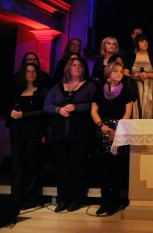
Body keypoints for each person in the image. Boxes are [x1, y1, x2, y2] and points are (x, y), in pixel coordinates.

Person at [43, 57, 96, 213]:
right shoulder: (57, 87)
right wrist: (58, 110)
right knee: (61, 167)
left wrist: (76, 108)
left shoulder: (90, 86)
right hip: (59, 133)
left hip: (79, 133)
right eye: (74, 65)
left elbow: (94, 104)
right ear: (68, 68)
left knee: (77, 166)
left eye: (80, 65)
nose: (77, 67)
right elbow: (46, 106)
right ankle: (63, 199)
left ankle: (76, 199)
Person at [91, 61, 133, 216]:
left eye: (121, 71)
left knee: (116, 168)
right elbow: (94, 110)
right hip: (103, 131)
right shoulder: (99, 89)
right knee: (103, 168)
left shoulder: (126, 90)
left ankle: (113, 203)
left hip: (119, 132)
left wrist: (118, 129)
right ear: (109, 73)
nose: (119, 74)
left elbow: (128, 111)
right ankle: (104, 202)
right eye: (115, 71)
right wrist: (102, 126)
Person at [9, 63, 48, 209]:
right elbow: (13, 107)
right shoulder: (19, 91)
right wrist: (13, 113)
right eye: (28, 71)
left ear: (37, 74)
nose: (31, 74)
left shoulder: (42, 91)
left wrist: (24, 115)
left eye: (33, 71)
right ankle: (16, 197)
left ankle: (30, 198)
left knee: (32, 164)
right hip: (18, 131)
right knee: (17, 164)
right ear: (23, 74)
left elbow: (43, 111)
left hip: (33, 131)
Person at [125, 34, 153, 119]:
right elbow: (125, 73)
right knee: (136, 109)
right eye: (142, 41)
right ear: (137, 43)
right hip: (135, 87)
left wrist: (148, 75)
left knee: (149, 110)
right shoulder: (131, 56)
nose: (145, 43)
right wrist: (135, 77)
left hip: (150, 87)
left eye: (146, 41)